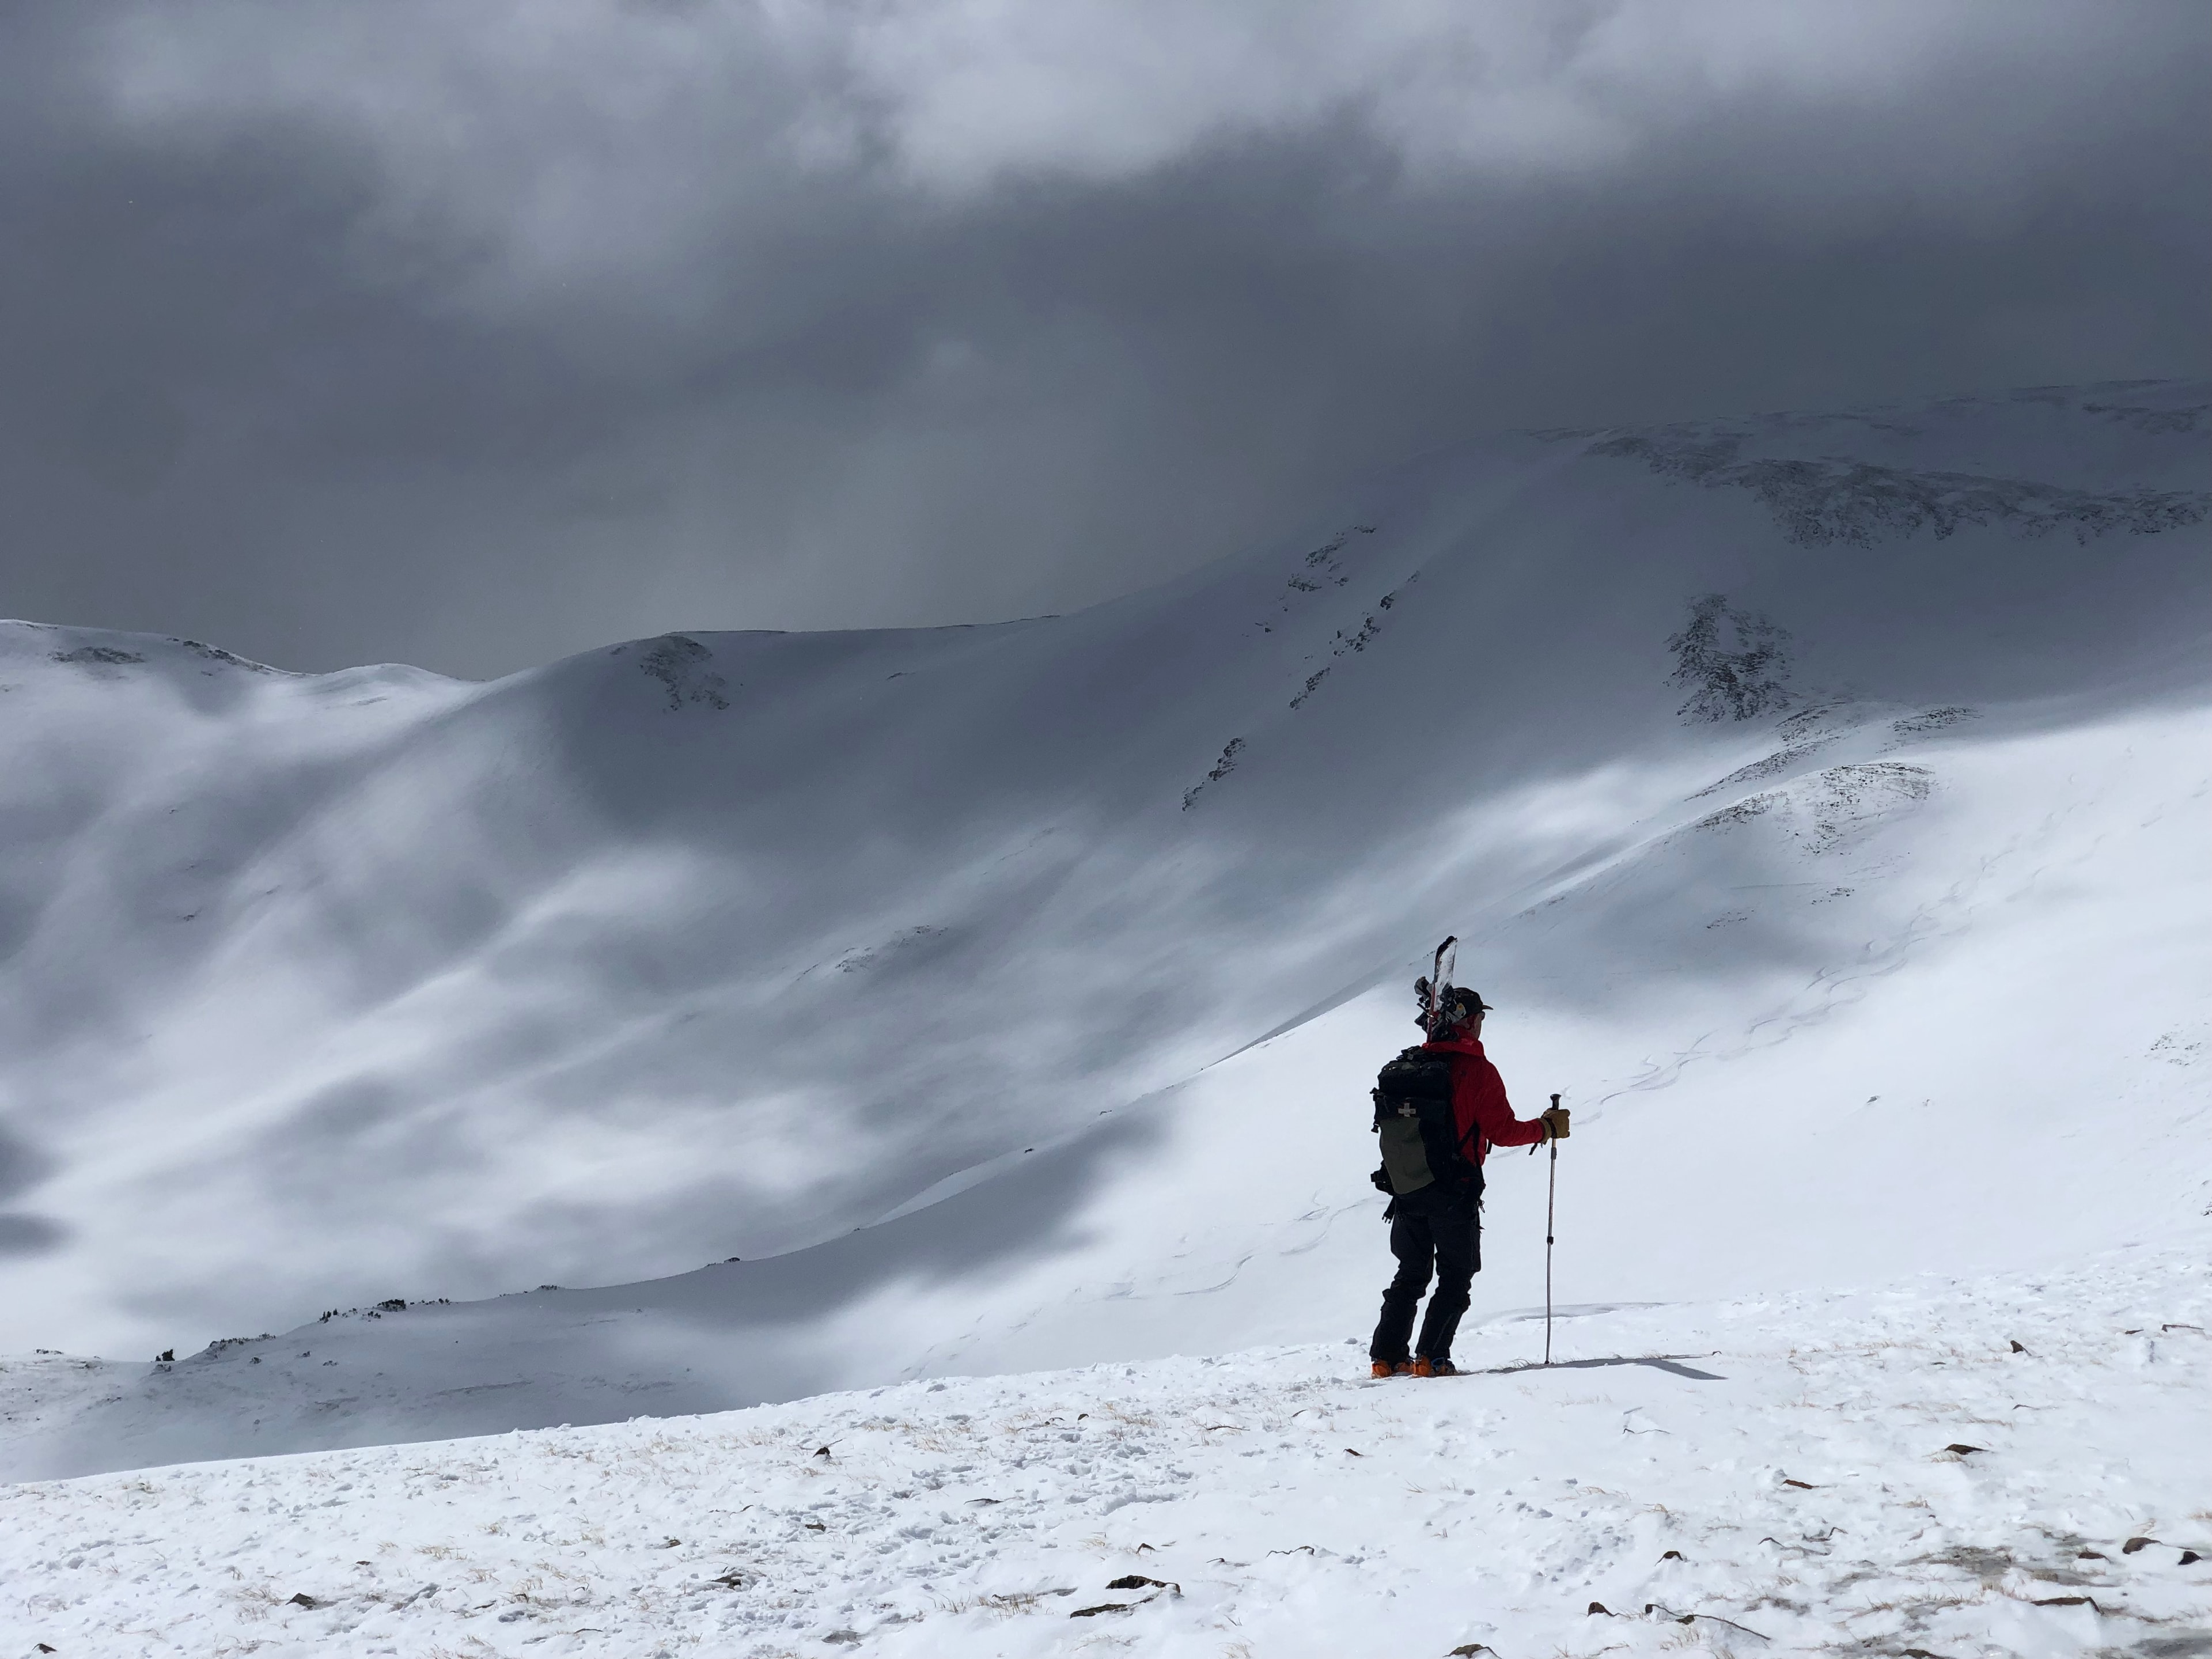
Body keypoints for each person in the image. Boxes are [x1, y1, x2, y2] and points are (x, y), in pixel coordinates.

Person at [1369, 983, 1570, 1378]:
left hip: (1406, 1189)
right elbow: (1503, 1131)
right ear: (1469, 1021)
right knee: (1456, 1275)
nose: (1481, 1025)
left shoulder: (1406, 1068)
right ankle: (1432, 1358)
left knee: (1410, 1275)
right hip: (1454, 1189)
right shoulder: (1477, 1071)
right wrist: (1545, 1129)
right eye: (1479, 1018)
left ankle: (1386, 1357)